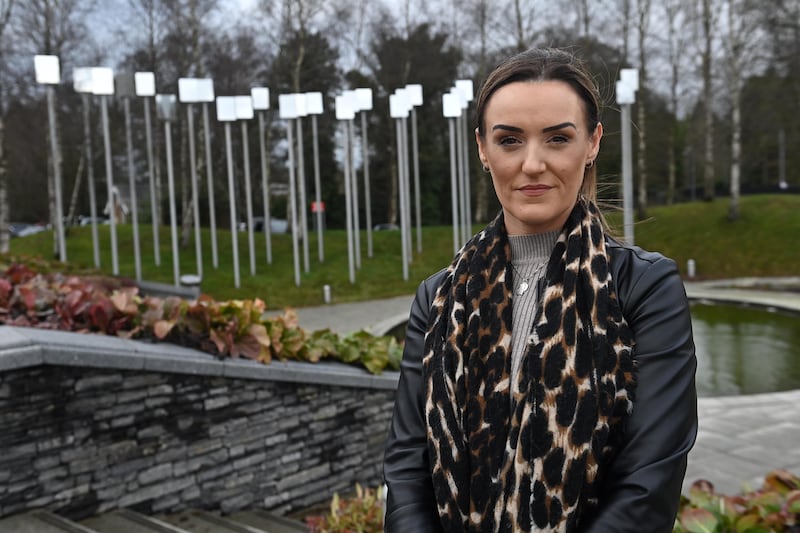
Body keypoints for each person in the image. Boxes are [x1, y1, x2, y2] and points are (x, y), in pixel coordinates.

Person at [383, 47, 698, 533]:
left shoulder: (645, 287)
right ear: (483, 149)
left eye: (557, 138)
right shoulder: (438, 298)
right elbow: (407, 467)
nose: (533, 163)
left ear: (592, 143)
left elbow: (647, 484)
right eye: (510, 140)